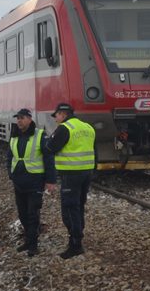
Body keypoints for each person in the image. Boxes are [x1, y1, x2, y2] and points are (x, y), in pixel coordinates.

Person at [45, 103, 96, 259]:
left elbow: (50, 147)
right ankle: (78, 236)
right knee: (79, 205)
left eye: (57, 116)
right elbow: (94, 149)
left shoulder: (65, 128)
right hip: (86, 173)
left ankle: (75, 244)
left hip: (71, 174)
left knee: (69, 208)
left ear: (63, 114)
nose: (55, 119)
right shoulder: (87, 127)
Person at [6, 109, 56, 257]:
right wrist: (11, 173)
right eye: (17, 119)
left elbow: (49, 158)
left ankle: (33, 245)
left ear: (29, 119)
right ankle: (28, 240)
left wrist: (50, 180)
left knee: (32, 213)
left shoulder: (40, 135)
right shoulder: (14, 136)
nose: (19, 121)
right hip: (19, 181)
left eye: (22, 118)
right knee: (22, 214)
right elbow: (9, 157)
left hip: (35, 181)